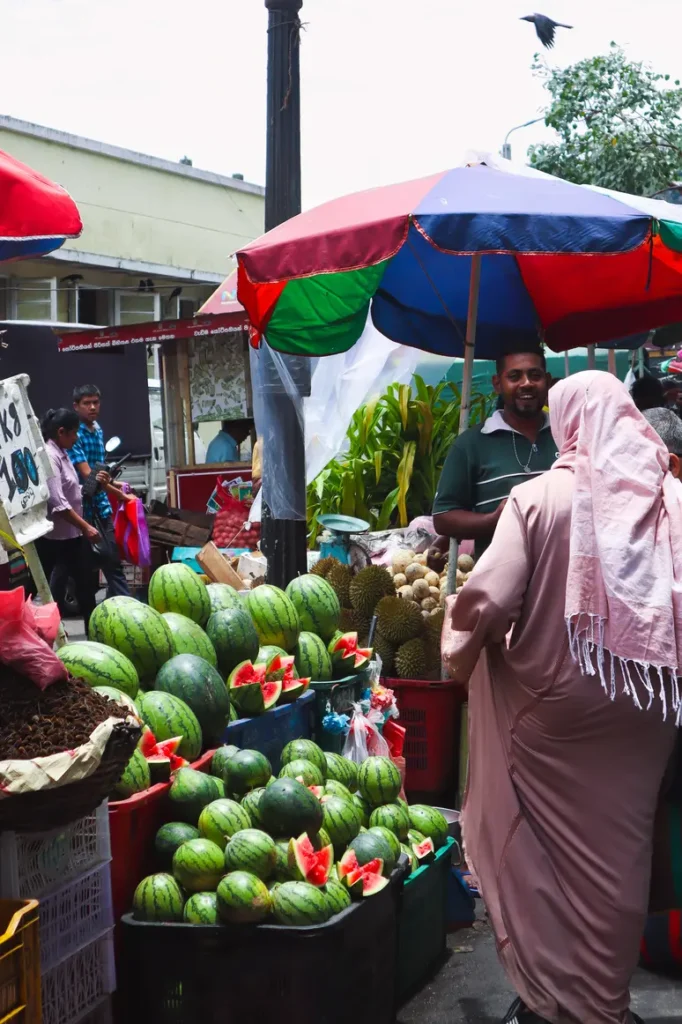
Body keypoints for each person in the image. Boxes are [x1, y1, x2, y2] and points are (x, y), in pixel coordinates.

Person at [444, 371, 681, 1024]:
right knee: (618, 850)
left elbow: (484, 603)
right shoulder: (672, 498)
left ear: (568, 421)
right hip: (647, 710)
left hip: (553, 714)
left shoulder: (542, 497)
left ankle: (560, 1000)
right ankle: (605, 995)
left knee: (538, 852)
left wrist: (459, 662)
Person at [431, 347, 557, 563]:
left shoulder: (567, 433)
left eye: (534, 375)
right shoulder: (471, 444)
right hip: (501, 582)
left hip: (566, 578)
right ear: (497, 383)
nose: (526, 383)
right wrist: (492, 520)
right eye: (514, 376)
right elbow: (444, 517)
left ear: (546, 381)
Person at [35, 409, 101, 633]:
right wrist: (86, 526)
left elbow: (72, 490)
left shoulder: (62, 454)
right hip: (55, 539)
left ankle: (94, 639)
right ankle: (49, 635)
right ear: (60, 432)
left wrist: (95, 484)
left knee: (85, 588)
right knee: (48, 591)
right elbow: (58, 503)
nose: (77, 438)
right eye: (73, 434)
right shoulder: (49, 457)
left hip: (71, 536)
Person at [68, 384, 132, 598]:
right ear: (76, 406)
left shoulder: (98, 430)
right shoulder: (74, 434)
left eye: (95, 402)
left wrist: (113, 483)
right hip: (81, 509)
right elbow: (88, 474)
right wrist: (120, 494)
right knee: (85, 566)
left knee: (111, 561)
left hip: (100, 505)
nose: (92, 407)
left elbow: (100, 469)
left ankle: (121, 602)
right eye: (87, 403)